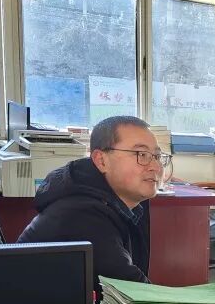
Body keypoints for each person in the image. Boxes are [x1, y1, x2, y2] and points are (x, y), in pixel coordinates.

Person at [18, 116, 167, 291]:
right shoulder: (81, 215)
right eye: (141, 155)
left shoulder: (122, 205)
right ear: (101, 160)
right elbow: (135, 293)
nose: (156, 167)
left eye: (157, 156)